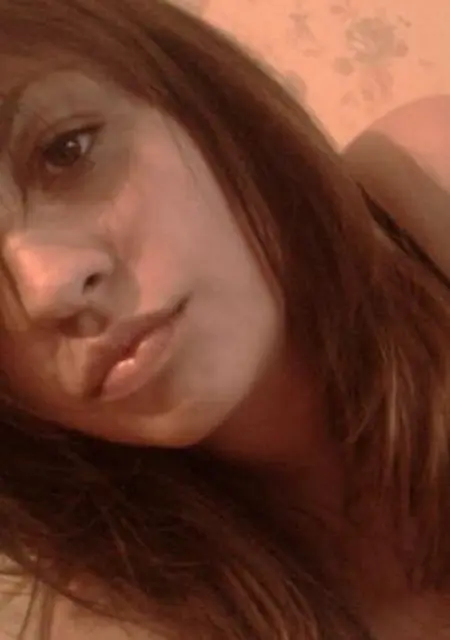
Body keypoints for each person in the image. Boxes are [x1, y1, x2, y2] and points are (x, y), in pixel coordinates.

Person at [0, 1, 449, 638]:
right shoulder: (108, 615)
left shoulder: (431, 177)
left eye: (65, 151)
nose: (47, 287)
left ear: (196, 95)